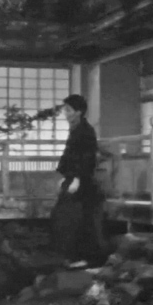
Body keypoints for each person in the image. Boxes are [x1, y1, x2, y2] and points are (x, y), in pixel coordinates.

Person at [51, 94, 104, 269]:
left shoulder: (86, 131)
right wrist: (65, 177)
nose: (66, 114)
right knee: (64, 218)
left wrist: (77, 178)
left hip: (83, 182)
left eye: (69, 110)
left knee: (80, 220)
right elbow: (70, 156)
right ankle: (71, 256)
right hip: (74, 179)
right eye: (65, 110)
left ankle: (85, 257)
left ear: (78, 112)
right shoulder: (76, 129)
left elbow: (87, 158)